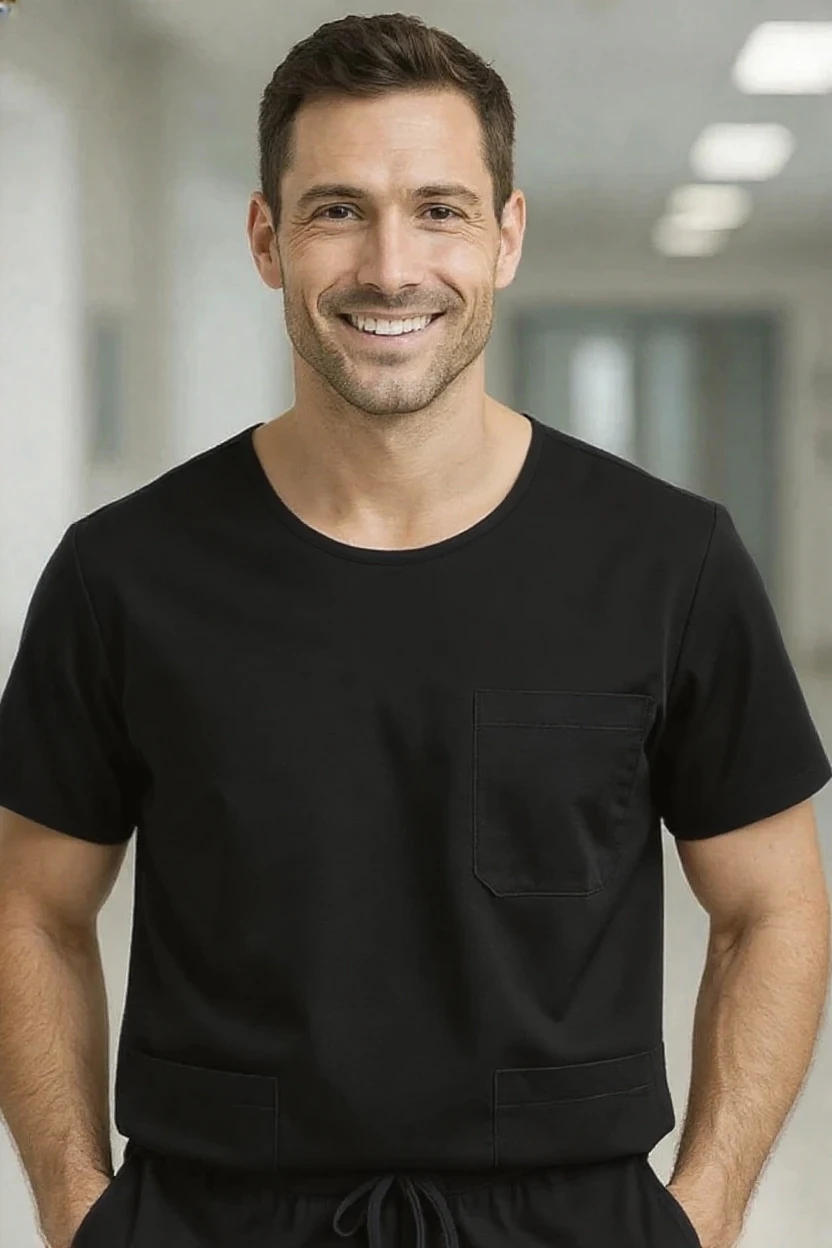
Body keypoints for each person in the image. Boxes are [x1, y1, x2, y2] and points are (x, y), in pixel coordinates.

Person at [0, 12, 830, 1248]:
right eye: (337, 210)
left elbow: (772, 905)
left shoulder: (667, 561)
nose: (392, 265)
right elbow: (32, 904)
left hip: (563, 1218)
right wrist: (76, 1209)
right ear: (266, 240)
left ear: (505, 237)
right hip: (215, 1214)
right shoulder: (126, 573)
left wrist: (697, 1219)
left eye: (439, 209)